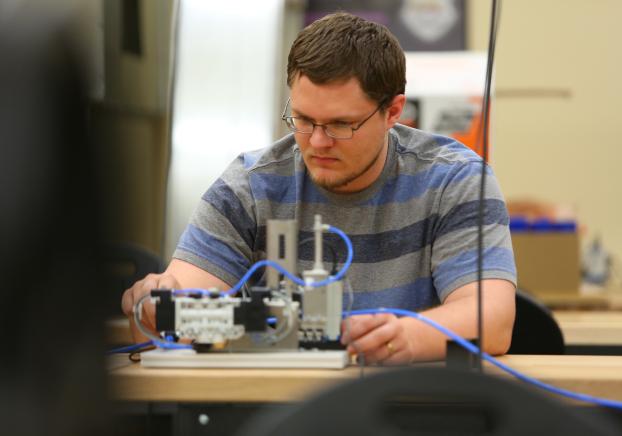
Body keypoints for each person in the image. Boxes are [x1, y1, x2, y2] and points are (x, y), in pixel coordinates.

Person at [122, 12, 516, 364]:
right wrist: (155, 305)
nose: (317, 142)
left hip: (401, 405)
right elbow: (171, 318)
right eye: (303, 119)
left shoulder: (455, 179)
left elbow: (492, 320)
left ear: (393, 112)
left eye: (341, 125)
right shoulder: (250, 185)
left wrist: (404, 337)